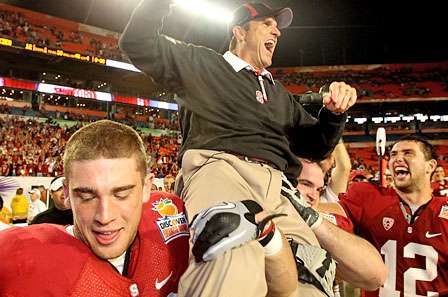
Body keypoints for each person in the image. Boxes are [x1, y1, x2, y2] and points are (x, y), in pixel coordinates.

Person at [120, 1, 357, 297]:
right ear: (239, 32)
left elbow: (316, 147)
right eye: (267, 24)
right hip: (220, 167)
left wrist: (334, 114)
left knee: (311, 273)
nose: (277, 32)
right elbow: (137, 42)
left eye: (277, 27)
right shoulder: (202, 63)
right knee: (230, 253)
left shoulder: (278, 94)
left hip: (276, 186)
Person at [289, 135, 448, 296]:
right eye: (393, 155)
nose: (397, 159)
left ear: (430, 166)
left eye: (407, 153)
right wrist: (292, 204)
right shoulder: (367, 196)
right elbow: (329, 212)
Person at [0, 120, 189, 296]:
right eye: (87, 197)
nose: (105, 216)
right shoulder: (18, 257)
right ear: (66, 193)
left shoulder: (171, 221)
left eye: (121, 195)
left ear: (147, 188)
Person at [295, 158, 386, 292]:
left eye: (319, 189)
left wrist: (315, 223)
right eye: (306, 184)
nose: (314, 195)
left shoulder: (328, 222)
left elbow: (375, 277)